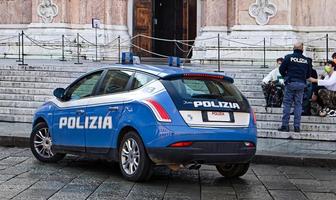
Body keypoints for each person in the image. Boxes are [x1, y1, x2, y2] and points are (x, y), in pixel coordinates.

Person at [278, 42, 311, 133]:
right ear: (302, 49)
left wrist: (286, 77)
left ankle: (285, 125)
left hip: (290, 83)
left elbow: (281, 69)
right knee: (298, 105)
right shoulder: (306, 60)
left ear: (293, 48)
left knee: (287, 104)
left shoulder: (288, 57)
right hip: (301, 84)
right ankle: (297, 127)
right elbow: (308, 74)